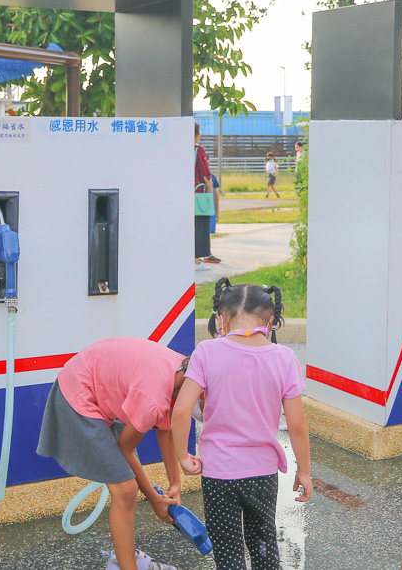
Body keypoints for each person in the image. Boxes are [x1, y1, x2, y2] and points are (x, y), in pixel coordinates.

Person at [171, 280, 312, 570]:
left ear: (220, 318)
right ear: (271, 320)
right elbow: (297, 424)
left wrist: (183, 458)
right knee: (264, 548)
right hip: (262, 473)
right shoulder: (284, 358)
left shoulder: (206, 352)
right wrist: (305, 471)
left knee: (228, 554)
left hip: (218, 474)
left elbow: (181, 410)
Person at [37, 337, 187, 570]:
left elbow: (165, 430)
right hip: (78, 392)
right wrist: (155, 499)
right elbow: (125, 449)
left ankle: (124, 559)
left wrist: (175, 483)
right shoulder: (154, 397)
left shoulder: (182, 370)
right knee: (126, 489)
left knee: (127, 484)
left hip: (95, 387)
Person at [195, 122, 214, 271]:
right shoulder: (198, 150)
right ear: (197, 134)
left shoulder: (175, 149)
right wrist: (210, 192)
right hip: (196, 195)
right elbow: (206, 175)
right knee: (199, 226)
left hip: (177, 195)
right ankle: (196, 259)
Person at [204, 173, 222, 264]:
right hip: (201, 207)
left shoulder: (212, 177)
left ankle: (207, 253)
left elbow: (216, 195)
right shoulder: (195, 175)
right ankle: (202, 254)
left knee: (207, 232)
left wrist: (217, 211)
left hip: (210, 208)